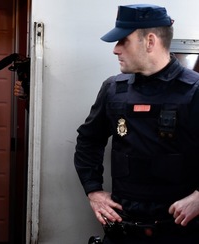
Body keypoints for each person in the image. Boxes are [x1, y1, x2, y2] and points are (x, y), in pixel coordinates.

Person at [74, 4, 199, 244]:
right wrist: (93, 191)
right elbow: (88, 141)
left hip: (179, 231)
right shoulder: (113, 89)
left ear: (150, 41)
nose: (115, 50)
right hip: (124, 229)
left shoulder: (193, 91)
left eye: (123, 41)